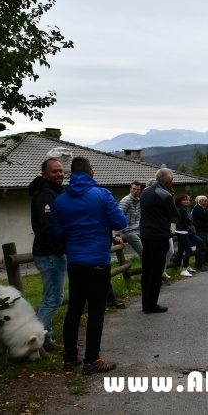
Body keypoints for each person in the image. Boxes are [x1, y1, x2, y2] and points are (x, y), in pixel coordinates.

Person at [53, 157, 127, 374]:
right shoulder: (102, 194)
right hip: (97, 261)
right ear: (91, 173)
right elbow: (120, 222)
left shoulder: (61, 200)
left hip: (75, 260)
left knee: (74, 309)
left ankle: (69, 359)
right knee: (96, 311)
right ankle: (92, 360)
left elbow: (58, 232)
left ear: (71, 174)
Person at [29, 157, 67, 353]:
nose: (59, 174)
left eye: (61, 171)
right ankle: (35, 344)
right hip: (50, 254)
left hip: (49, 253)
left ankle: (46, 340)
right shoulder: (46, 195)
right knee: (54, 299)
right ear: (44, 174)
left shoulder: (51, 192)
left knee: (48, 298)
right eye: (54, 171)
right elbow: (48, 228)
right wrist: (59, 251)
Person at [139, 168, 180, 314]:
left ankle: (145, 301)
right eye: (172, 180)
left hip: (145, 234)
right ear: (168, 182)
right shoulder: (165, 195)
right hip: (159, 236)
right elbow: (176, 217)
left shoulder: (145, 191)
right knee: (156, 272)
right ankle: (151, 304)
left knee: (147, 270)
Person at [174, 194, 204, 277]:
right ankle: (184, 269)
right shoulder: (180, 209)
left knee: (181, 249)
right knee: (188, 250)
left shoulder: (184, 208)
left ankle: (179, 266)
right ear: (180, 201)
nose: (187, 201)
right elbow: (186, 220)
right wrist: (189, 221)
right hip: (182, 231)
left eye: (188, 200)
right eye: (185, 200)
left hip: (184, 230)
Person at [113, 181, 143, 257]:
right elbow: (118, 216)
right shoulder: (126, 200)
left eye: (138, 189)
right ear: (130, 189)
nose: (136, 191)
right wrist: (117, 234)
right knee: (144, 252)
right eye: (134, 189)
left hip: (137, 230)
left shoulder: (138, 201)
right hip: (127, 231)